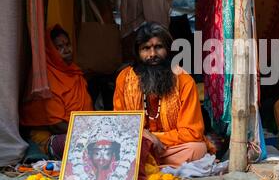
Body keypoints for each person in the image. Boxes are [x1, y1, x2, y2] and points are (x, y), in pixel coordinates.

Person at [113, 22, 214, 169]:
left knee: (197, 149)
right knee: (117, 147)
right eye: (146, 48)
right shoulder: (124, 78)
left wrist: (154, 138)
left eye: (158, 47)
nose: (152, 54)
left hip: (170, 148)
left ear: (168, 50)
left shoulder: (184, 80)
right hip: (137, 144)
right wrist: (144, 137)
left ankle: (143, 167)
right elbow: (119, 123)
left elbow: (192, 132)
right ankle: (153, 165)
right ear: (137, 52)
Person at [20, 25, 93, 159]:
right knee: (86, 144)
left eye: (67, 44)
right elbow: (56, 126)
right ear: (49, 51)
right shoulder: (45, 79)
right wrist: (89, 132)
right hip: (53, 137)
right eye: (59, 47)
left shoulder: (74, 72)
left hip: (81, 130)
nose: (67, 50)